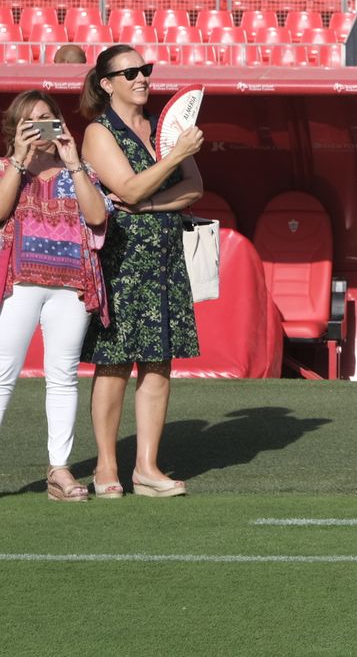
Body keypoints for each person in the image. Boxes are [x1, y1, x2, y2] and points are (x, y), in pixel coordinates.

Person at [78, 45, 205, 498]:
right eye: (129, 72)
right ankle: (107, 467)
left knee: (158, 363)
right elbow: (127, 186)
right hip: (122, 260)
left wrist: (150, 204)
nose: (141, 77)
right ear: (106, 83)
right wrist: (172, 158)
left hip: (166, 259)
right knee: (112, 364)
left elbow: (194, 189)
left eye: (145, 69)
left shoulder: (165, 127)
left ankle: (147, 468)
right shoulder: (99, 132)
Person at [0, 91, 110, 502]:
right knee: (2, 375)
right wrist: (18, 159)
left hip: (70, 286)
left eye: (47, 118)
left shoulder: (79, 168)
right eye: (29, 122)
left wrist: (72, 160)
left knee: (63, 378)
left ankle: (58, 471)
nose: (40, 128)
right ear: (15, 129)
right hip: (19, 282)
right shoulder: (7, 168)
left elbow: (97, 216)